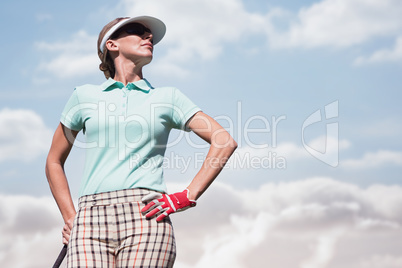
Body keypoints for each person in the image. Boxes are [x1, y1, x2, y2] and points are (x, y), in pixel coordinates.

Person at [45, 15, 237, 267]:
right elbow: (54, 161)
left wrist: (187, 196)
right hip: (89, 219)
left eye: (151, 36)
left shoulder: (168, 98)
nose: (149, 37)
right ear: (111, 45)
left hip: (146, 215)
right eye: (137, 31)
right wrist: (71, 217)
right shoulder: (84, 97)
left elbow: (223, 140)